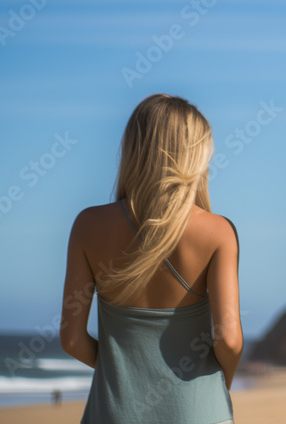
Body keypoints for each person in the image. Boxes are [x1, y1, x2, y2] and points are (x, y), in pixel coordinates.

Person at [60, 94, 242, 424]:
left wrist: (123, 375)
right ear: (196, 157)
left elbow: (71, 340)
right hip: (200, 412)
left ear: (134, 149)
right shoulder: (217, 232)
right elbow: (228, 340)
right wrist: (219, 385)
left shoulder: (87, 225)